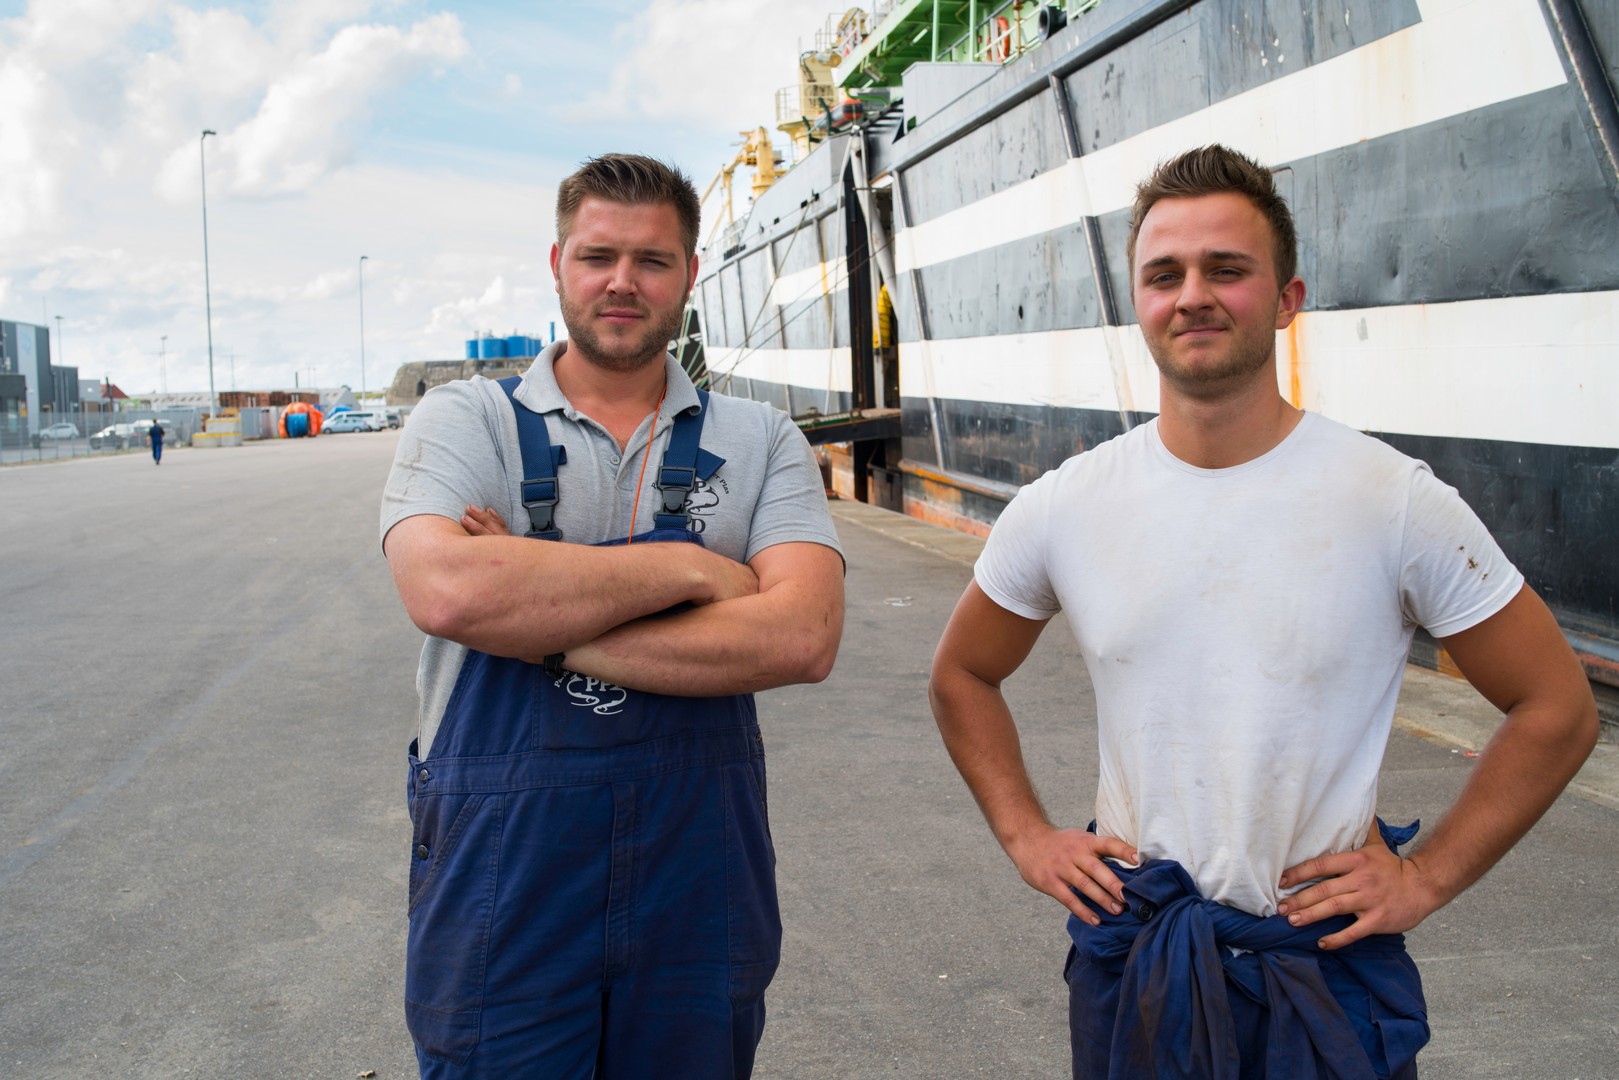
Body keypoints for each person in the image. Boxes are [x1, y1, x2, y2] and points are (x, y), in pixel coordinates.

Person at [927, 144, 1597, 1078]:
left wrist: (1425, 876)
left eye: (1225, 269)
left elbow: (1556, 706)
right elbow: (962, 674)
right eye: (1164, 274)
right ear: (1137, 302)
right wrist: (1027, 836)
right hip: (1140, 959)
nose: (1191, 296)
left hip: (1319, 972)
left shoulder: (1390, 500)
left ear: (1286, 299)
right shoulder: (1065, 506)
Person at [380, 153, 845, 1078]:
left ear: (690, 275)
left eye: (651, 261)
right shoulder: (463, 421)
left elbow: (802, 635)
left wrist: (533, 622)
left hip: (695, 880)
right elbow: (448, 594)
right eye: (597, 257)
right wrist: (692, 571)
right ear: (558, 265)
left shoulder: (760, 439)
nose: (622, 282)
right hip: (501, 886)